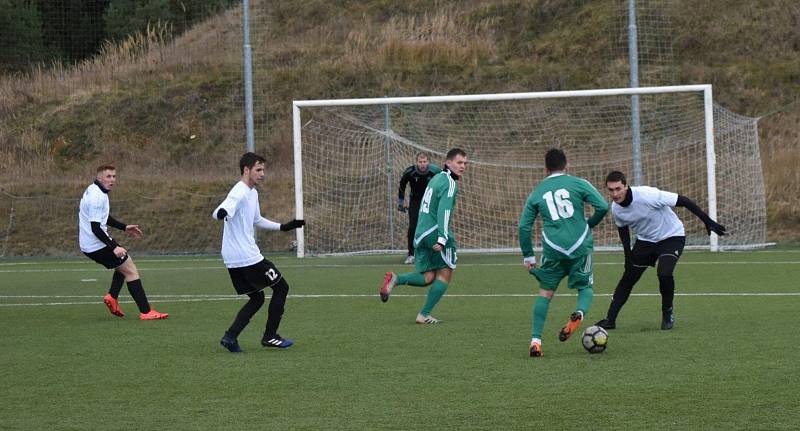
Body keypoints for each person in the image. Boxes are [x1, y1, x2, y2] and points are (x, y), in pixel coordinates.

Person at [595, 171, 727, 330]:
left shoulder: (648, 195)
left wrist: (708, 221)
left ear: (626, 186)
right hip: (645, 241)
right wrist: (627, 256)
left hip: (671, 236)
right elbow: (622, 230)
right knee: (628, 279)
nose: (615, 194)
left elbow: (684, 201)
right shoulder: (616, 209)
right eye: (611, 190)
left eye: (618, 189)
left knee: (664, 273)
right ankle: (610, 320)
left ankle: (667, 313)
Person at [518, 149, 608, 357]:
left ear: (546, 168)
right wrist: (589, 225)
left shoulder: (537, 191)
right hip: (579, 246)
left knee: (545, 294)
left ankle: (536, 341)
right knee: (585, 286)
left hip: (553, 249)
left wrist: (529, 256)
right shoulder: (578, 183)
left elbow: (524, 226)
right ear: (567, 165)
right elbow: (603, 206)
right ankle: (579, 314)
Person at [212, 152, 305, 353]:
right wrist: (222, 213)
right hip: (247, 257)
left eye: (263, 169)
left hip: (232, 258)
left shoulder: (252, 192)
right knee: (282, 288)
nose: (262, 173)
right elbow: (223, 208)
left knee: (257, 298)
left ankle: (230, 337)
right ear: (246, 170)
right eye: (258, 169)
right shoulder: (240, 191)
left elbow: (256, 219)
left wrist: (283, 227)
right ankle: (270, 336)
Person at [380, 148, 467, 324]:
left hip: (421, 232)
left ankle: (396, 279)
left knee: (429, 277)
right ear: (448, 163)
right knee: (445, 273)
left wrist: (422, 233)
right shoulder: (449, 183)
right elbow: (444, 211)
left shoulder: (436, 178)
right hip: (435, 231)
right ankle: (423, 314)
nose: (463, 166)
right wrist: (442, 238)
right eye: (459, 162)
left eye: (465, 163)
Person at [79, 164, 169, 320]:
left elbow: (103, 217)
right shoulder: (97, 197)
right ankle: (146, 312)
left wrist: (124, 227)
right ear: (99, 177)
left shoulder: (97, 190)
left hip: (92, 243)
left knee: (123, 263)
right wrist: (113, 247)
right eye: (108, 176)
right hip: (95, 244)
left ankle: (112, 297)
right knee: (130, 269)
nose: (112, 179)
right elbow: (96, 228)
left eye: (114, 176)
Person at [397, 152, 441, 264]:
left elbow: (445, 181)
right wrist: (400, 203)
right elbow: (402, 185)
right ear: (416, 162)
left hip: (430, 201)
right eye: (420, 162)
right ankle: (411, 254)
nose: (422, 164)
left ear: (428, 162)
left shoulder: (435, 171)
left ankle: (433, 253)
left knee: (432, 227)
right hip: (415, 201)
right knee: (413, 226)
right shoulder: (410, 172)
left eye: (425, 162)